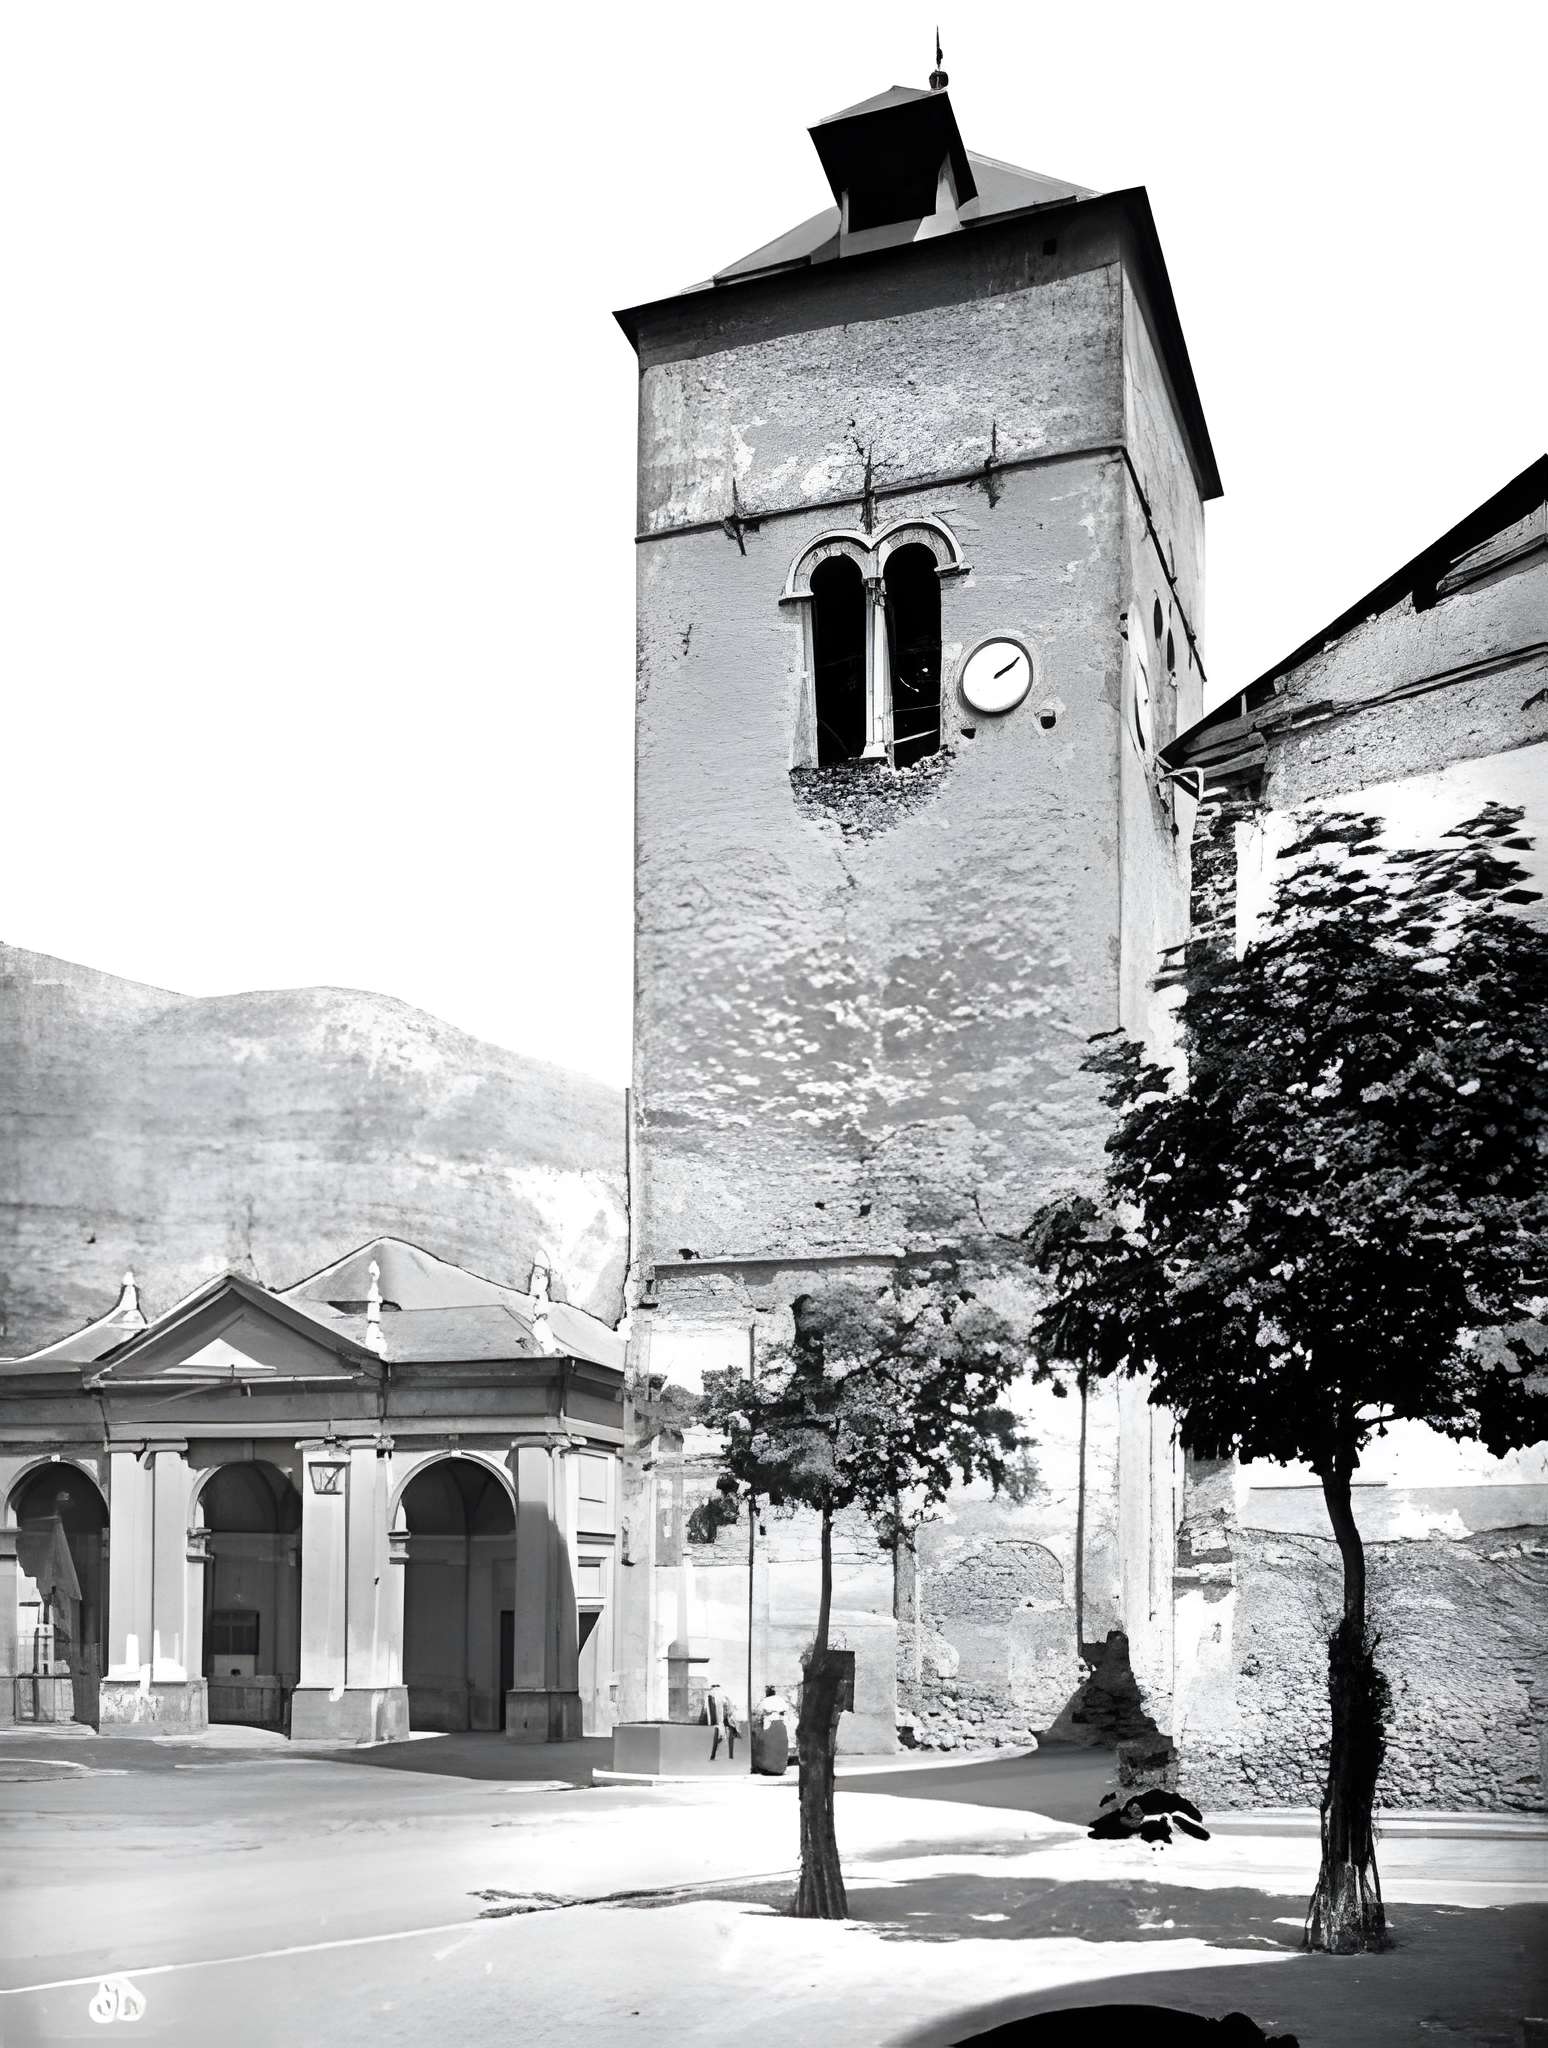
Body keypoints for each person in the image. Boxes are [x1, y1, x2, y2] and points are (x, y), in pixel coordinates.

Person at [1087, 1786, 1210, 1847]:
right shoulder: (1128, 1806)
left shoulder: (1132, 1803)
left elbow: (1119, 1797)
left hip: (1167, 1805)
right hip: (1169, 1805)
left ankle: (1179, 1822)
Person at [752, 1684, 793, 1776]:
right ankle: (779, 1768)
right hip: (780, 1725)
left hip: (769, 1725)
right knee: (779, 1747)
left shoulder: (764, 1701)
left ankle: (769, 1767)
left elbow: (757, 1713)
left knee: (767, 1746)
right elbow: (786, 1710)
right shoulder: (780, 1700)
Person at [702, 1681, 741, 1762]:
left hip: (715, 1721)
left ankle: (714, 1755)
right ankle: (730, 1755)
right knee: (731, 1731)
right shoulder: (723, 1696)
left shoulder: (709, 1696)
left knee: (720, 1736)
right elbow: (729, 1709)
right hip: (723, 1720)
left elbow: (705, 1710)